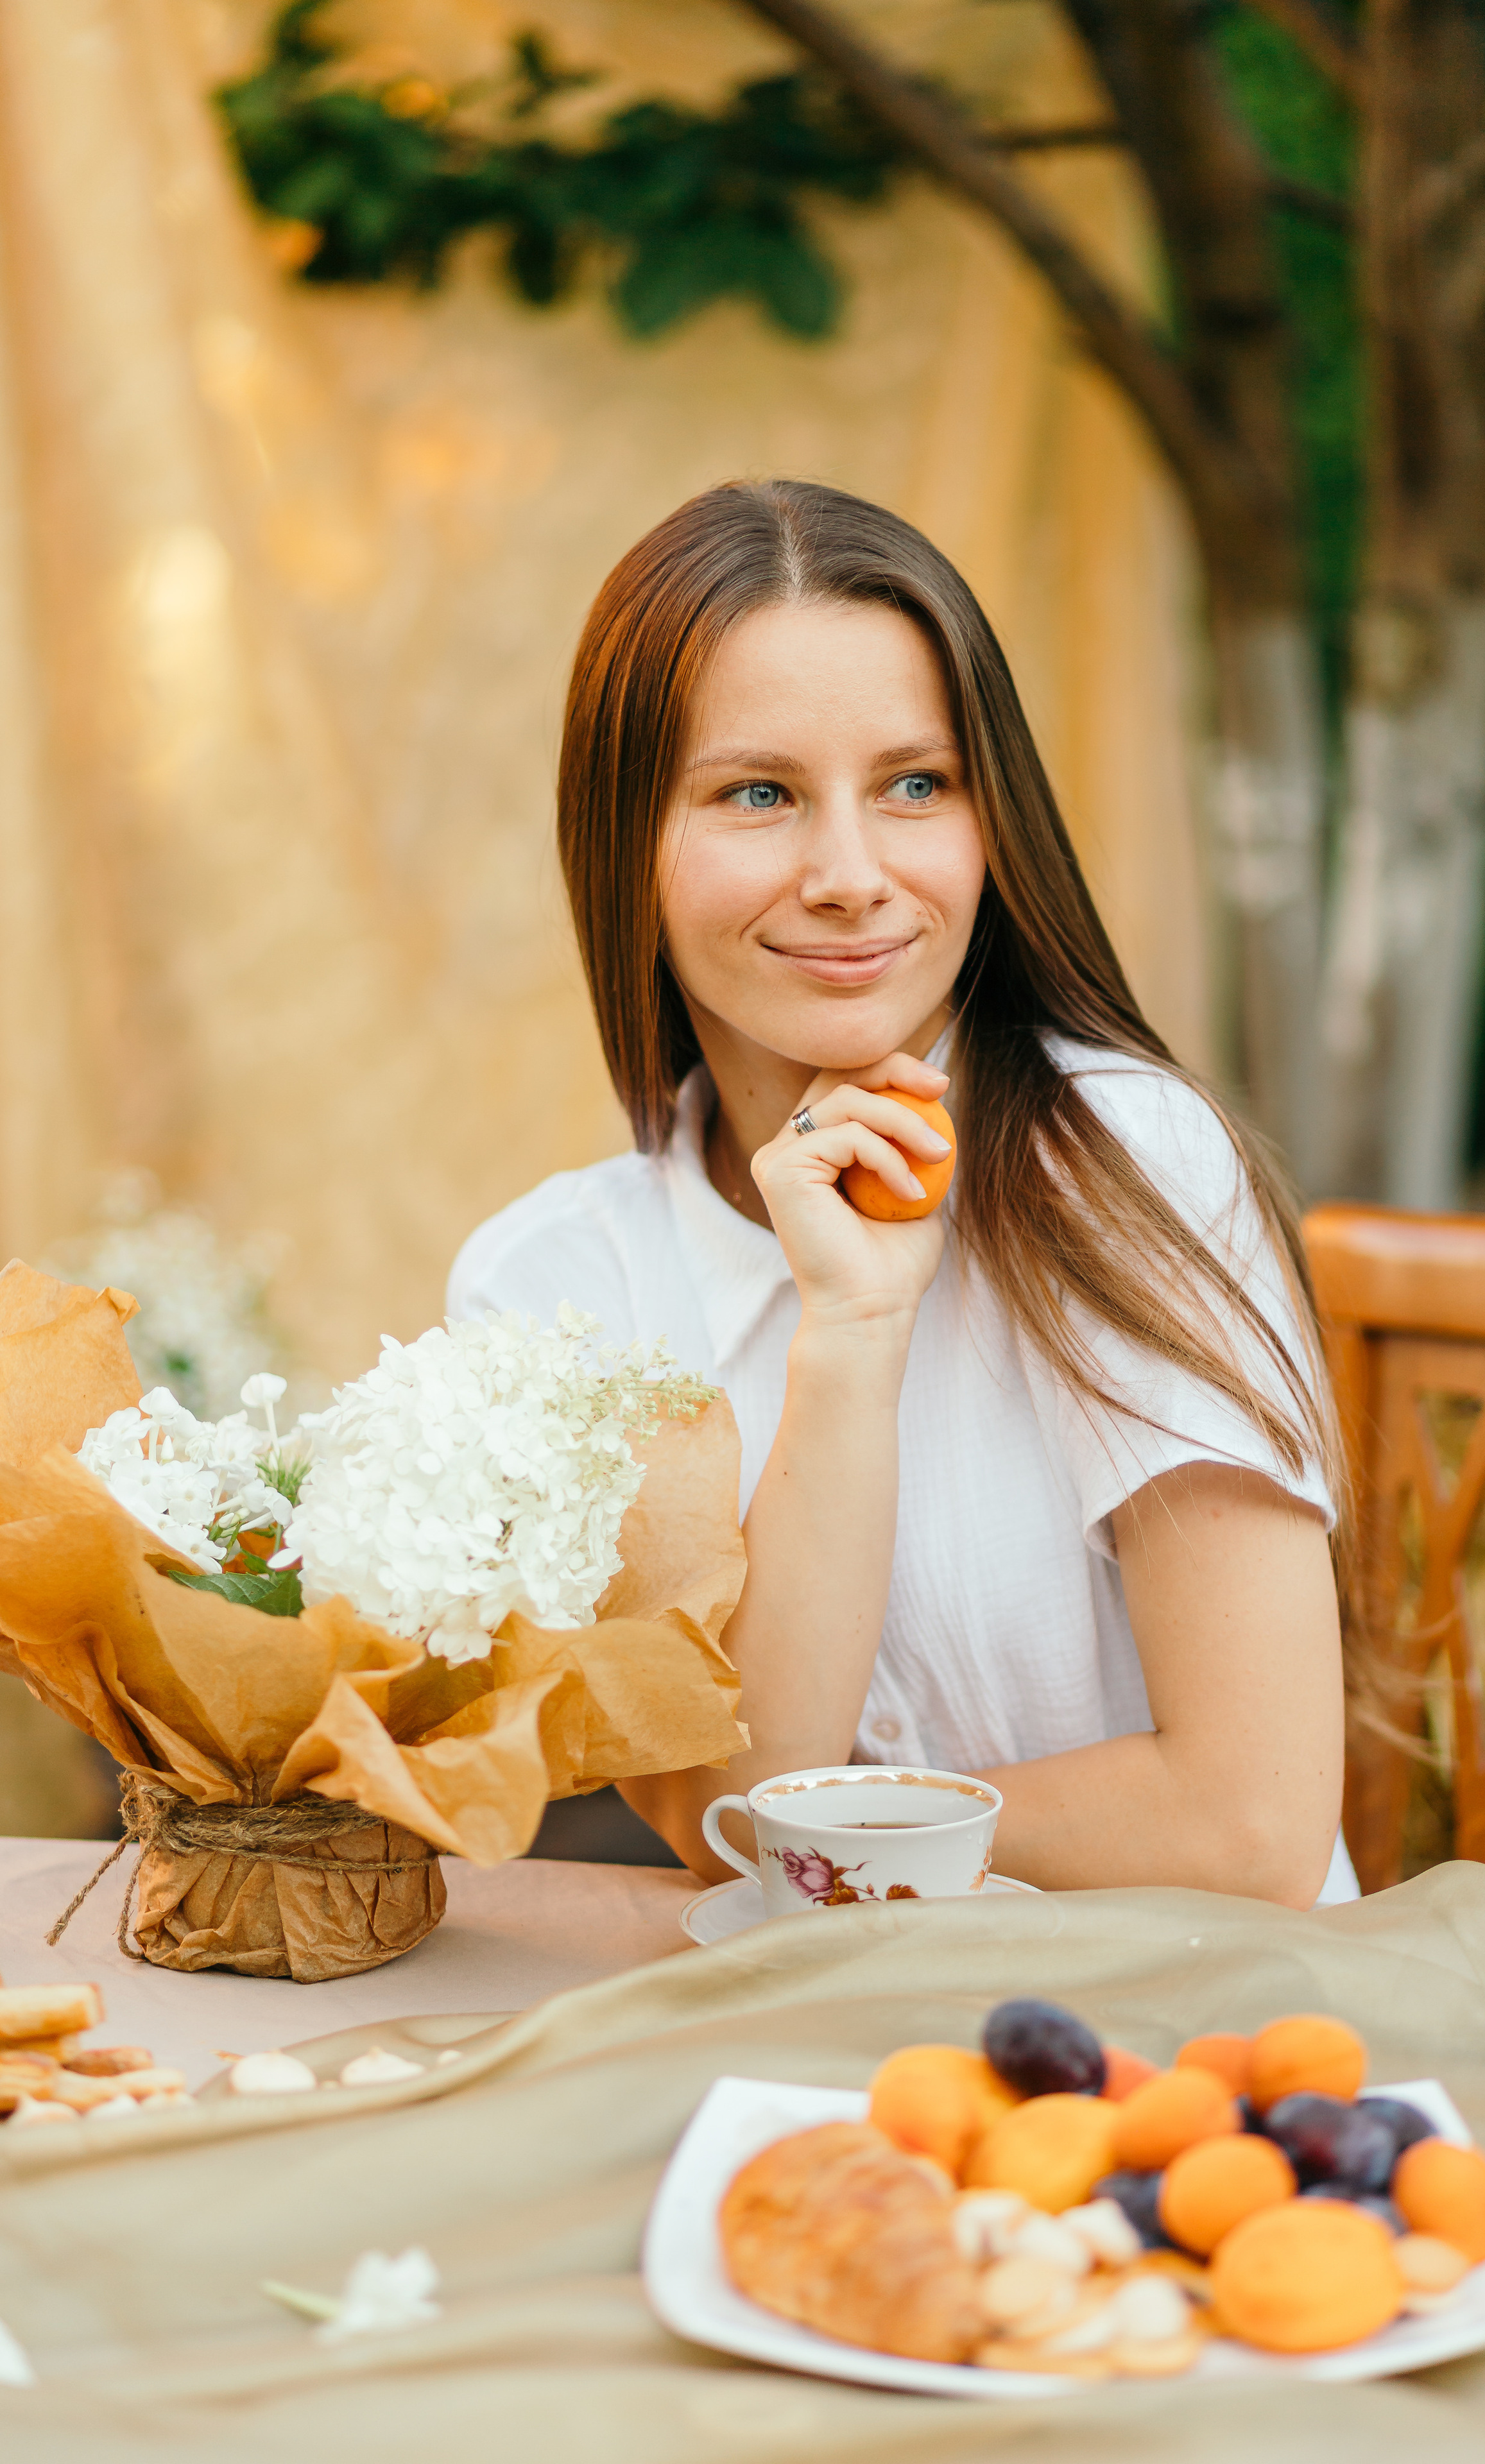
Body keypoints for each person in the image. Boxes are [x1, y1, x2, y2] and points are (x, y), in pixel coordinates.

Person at [450, 479, 1357, 1906]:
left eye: (913, 785)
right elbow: (725, 1811)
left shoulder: (1128, 1166)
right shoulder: (552, 1288)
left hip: (1187, 2045)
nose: (850, 876)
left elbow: (1246, 1823)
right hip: (794, 2055)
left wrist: (825, 1839)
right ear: (623, 842)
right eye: (758, 793)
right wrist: (851, 1338)